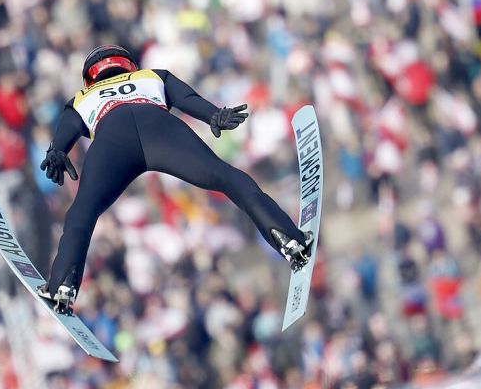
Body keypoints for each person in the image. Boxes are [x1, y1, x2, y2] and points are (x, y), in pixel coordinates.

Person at [37, 45, 312, 314]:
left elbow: (66, 130)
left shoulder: (81, 98)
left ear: (90, 77)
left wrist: (57, 150)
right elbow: (187, 99)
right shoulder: (152, 76)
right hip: (161, 130)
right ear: (129, 64)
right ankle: (287, 237)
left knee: (81, 214)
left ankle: (63, 284)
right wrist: (213, 115)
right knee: (229, 178)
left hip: (112, 140)